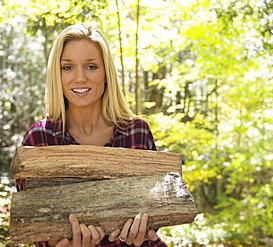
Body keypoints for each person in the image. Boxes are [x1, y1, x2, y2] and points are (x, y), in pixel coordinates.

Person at [15, 23, 167, 247]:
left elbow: (156, 209)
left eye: (91, 66)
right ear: (57, 75)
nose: (80, 78)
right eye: (68, 67)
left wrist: (144, 230)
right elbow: (36, 227)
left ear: (106, 74)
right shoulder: (40, 138)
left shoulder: (137, 131)